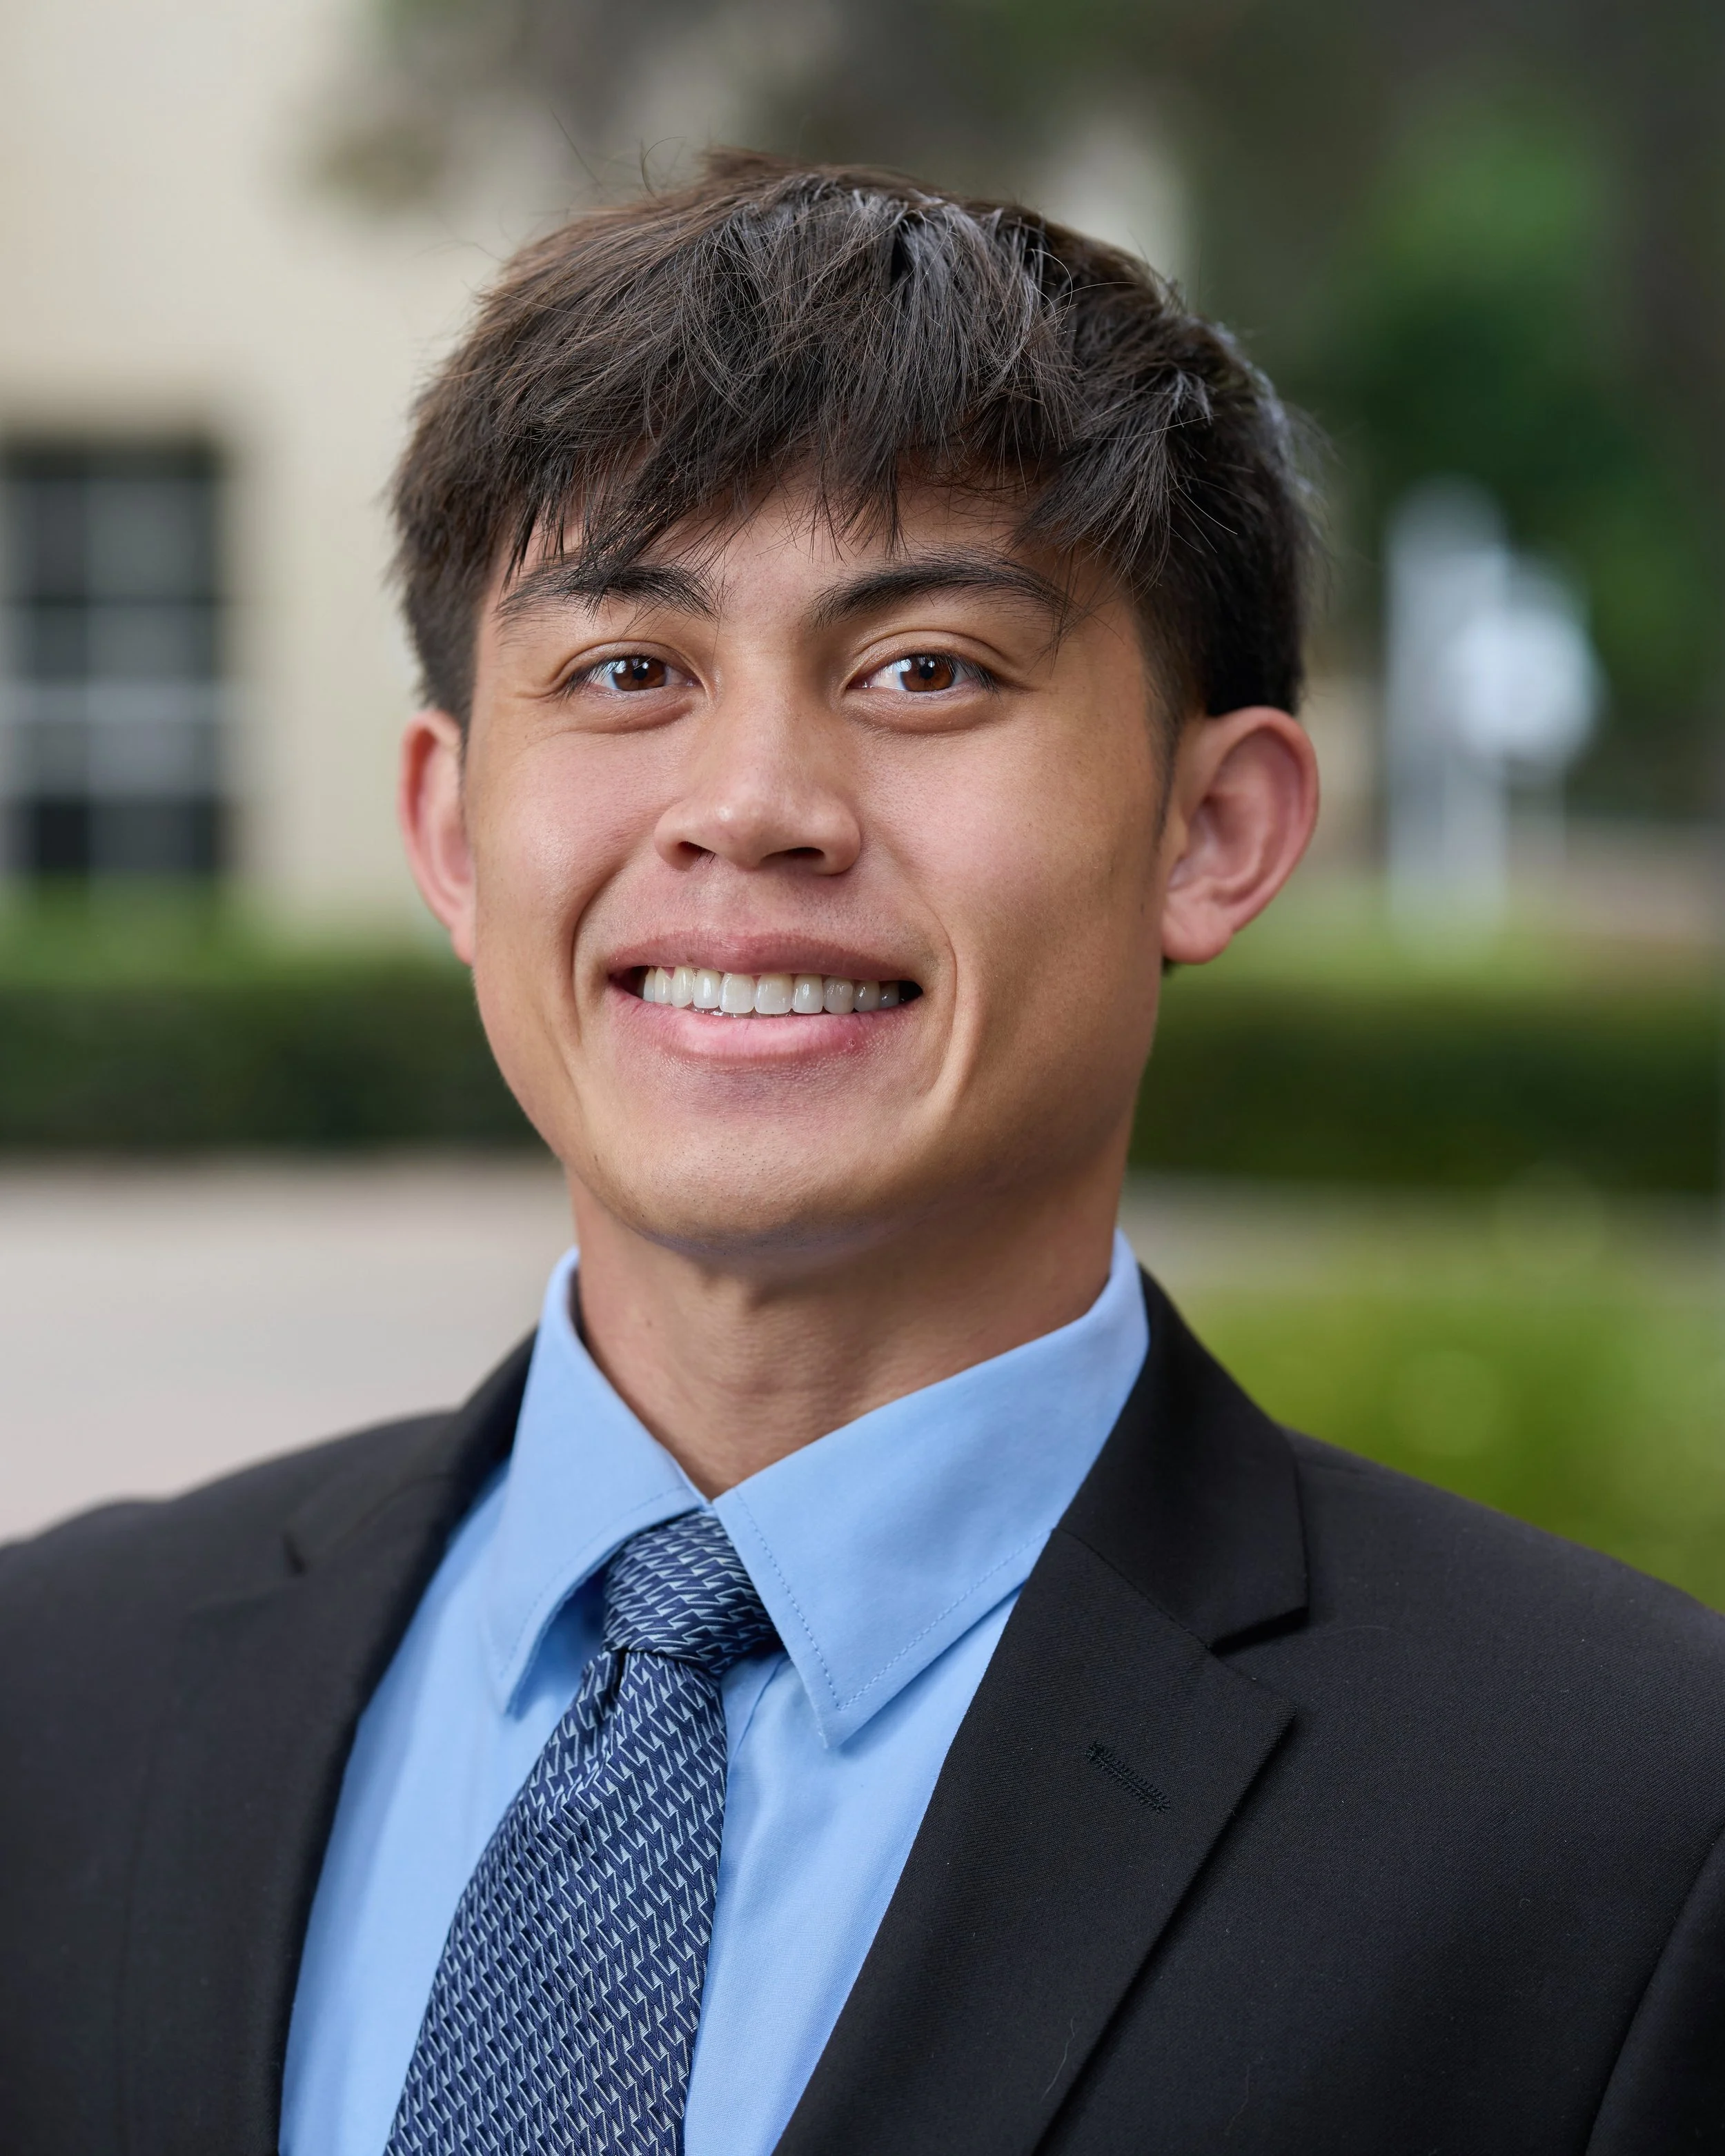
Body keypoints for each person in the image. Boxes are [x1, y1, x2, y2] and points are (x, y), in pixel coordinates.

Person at [2, 152, 1723, 2156]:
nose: (751, 805)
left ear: (1214, 829)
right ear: (453, 831)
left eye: (927, 670)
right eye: (629, 671)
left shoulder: (1629, 1830)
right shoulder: (55, 1694)